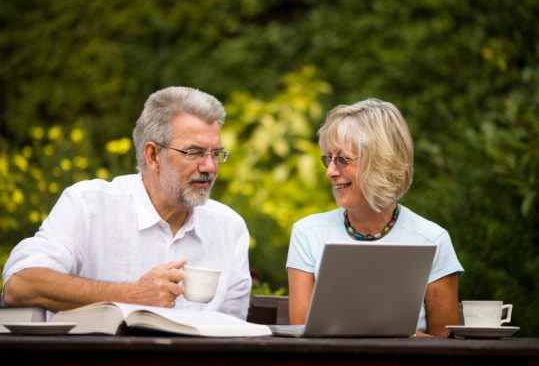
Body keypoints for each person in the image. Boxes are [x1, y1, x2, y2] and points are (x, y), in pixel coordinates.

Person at [2, 87, 252, 320]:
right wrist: (131, 296)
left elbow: (232, 332)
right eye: (194, 152)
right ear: (153, 155)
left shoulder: (229, 228)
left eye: (216, 154)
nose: (210, 167)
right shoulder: (89, 206)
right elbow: (20, 284)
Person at [286, 98, 464, 336]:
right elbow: (302, 335)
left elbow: (446, 350)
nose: (330, 171)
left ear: (380, 162)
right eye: (329, 158)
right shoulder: (307, 233)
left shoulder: (432, 239)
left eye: (342, 159)